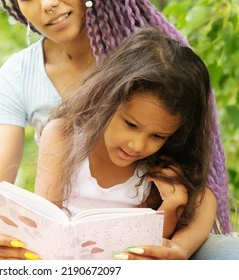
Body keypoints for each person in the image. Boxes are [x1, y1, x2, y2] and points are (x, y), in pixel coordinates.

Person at [0, 0, 237, 260]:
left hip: (140, 255)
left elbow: (197, 198)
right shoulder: (28, 87)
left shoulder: (158, 70)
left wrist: (180, 246)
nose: (48, 3)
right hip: (53, 251)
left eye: (154, 135)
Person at [35, 27, 211, 258]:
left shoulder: (156, 166)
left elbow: (205, 202)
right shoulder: (63, 136)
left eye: (158, 136)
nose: (137, 145)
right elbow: (45, 223)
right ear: (107, 97)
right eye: (131, 124)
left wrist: (175, 220)